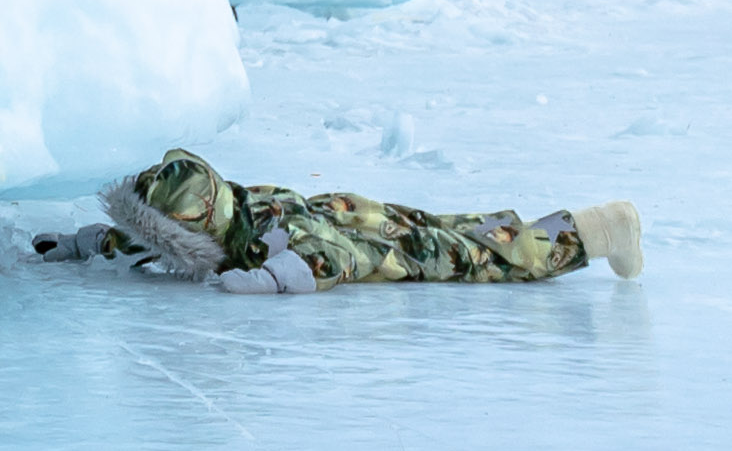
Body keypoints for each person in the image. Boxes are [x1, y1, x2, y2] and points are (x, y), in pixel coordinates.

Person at [103, 152, 645, 293]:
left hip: (378, 242)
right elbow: (152, 236)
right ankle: (599, 224)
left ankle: (606, 227)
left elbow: (338, 256)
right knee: (465, 228)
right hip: (363, 215)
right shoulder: (234, 211)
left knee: (493, 258)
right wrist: (91, 243)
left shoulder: (265, 230)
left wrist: (275, 278)